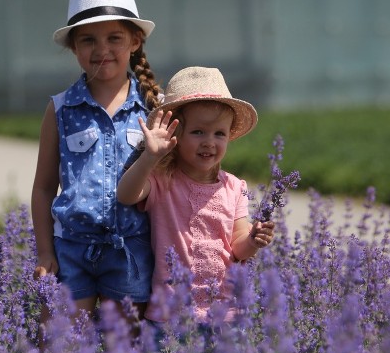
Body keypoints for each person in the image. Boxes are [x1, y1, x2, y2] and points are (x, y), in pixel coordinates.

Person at [32, 0, 161, 326]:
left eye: (114, 38)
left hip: (131, 250)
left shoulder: (152, 108)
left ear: (134, 41)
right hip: (70, 249)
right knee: (58, 350)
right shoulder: (60, 109)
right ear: (74, 46)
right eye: (88, 39)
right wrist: (45, 252)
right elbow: (44, 187)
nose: (101, 49)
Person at [117, 66, 275, 326]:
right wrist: (149, 157)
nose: (209, 142)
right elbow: (126, 195)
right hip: (172, 316)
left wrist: (254, 240)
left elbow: (238, 246)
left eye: (219, 134)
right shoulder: (163, 181)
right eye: (198, 132)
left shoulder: (234, 187)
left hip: (225, 314)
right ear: (175, 135)